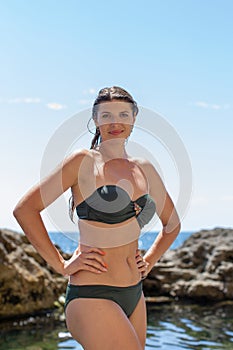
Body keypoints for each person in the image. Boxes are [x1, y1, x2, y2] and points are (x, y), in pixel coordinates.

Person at [13, 86, 181, 350]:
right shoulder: (83, 162)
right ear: (95, 120)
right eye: (106, 115)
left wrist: (148, 261)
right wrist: (61, 265)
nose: (116, 122)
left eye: (123, 114)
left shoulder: (144, 169)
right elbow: (25, 210)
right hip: (92, 294)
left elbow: (172, 225)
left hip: (134, 294)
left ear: (134, 118)